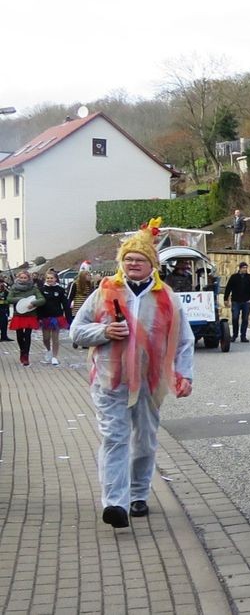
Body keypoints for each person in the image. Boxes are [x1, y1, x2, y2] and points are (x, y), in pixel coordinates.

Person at [70, 217, 194, 528]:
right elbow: (76, 331)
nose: (133, 264)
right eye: (128, 259)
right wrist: (104, 331)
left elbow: (183, 341)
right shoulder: (105, 291)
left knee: (145, 441)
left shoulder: (167, 297)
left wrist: (184, 374)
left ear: (151, 264)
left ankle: (138, 494)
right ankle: (115, 503)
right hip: (110, 380)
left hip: (151, 382)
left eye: (139, 259)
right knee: (114, 438)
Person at [6, 269, 45, 366]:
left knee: (27, 335)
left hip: (30, 315)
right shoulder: (14, 288)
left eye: (25, 278)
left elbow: (42, 299)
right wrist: (20, 300)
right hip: (18, 315)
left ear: (28, 278)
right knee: (19, 335)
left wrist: (33, 303)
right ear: (18, 278)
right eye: (21, 277)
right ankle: (22, 351)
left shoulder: (33, 288)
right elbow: (9, 299)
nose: (23, 279)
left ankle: (26, 355)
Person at [36, 268, 71, 366]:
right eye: (48, 278)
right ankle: (48, 350)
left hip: (57, 317)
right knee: (46, 338)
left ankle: (55, 357)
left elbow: (65, 305)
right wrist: (38, 317)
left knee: (55, 338)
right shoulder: (41, 290)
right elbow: (38, 305)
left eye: (51, 278)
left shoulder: (60, 290)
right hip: (45, 317)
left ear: (56, 279)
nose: (49, 280)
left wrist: (68, 318)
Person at [224, 262, 250, 343]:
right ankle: (235, 335)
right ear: (240, 268)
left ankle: (243, 336)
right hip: (236, 301)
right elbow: (228, 288)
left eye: (246, 268)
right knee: (235, 318)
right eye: (243, 268)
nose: (245, 269)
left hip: (246, 301)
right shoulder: (234, 277)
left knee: (245, 319)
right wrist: (226, 299)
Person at [0, 276, 11, 342]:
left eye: (2, 283)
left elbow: (9, 299)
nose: (1, 284)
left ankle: (4, 336)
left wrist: (6, 289)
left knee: (4, 323)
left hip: (4, 309)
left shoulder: (5, 291)